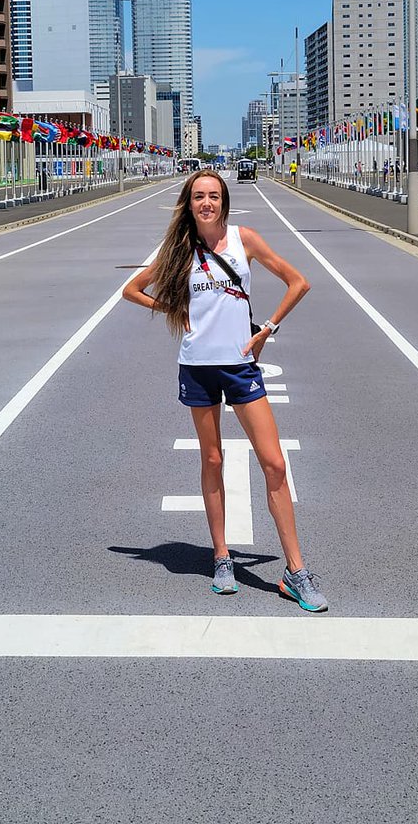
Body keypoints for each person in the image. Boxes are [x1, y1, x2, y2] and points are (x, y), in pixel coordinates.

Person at [122, 170, 325, 612]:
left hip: (239, 367)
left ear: (224, 202)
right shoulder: (178, 251)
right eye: (199, 197)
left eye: (214, 196)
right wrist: (175, 309)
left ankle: (296, 570)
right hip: (197, 368)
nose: (207, 203)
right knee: (211, 459)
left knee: (273, 463)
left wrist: (267, 329)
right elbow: (132, 290)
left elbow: (299, 282)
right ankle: (221, 557)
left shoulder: (243, 239)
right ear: (189, 203)